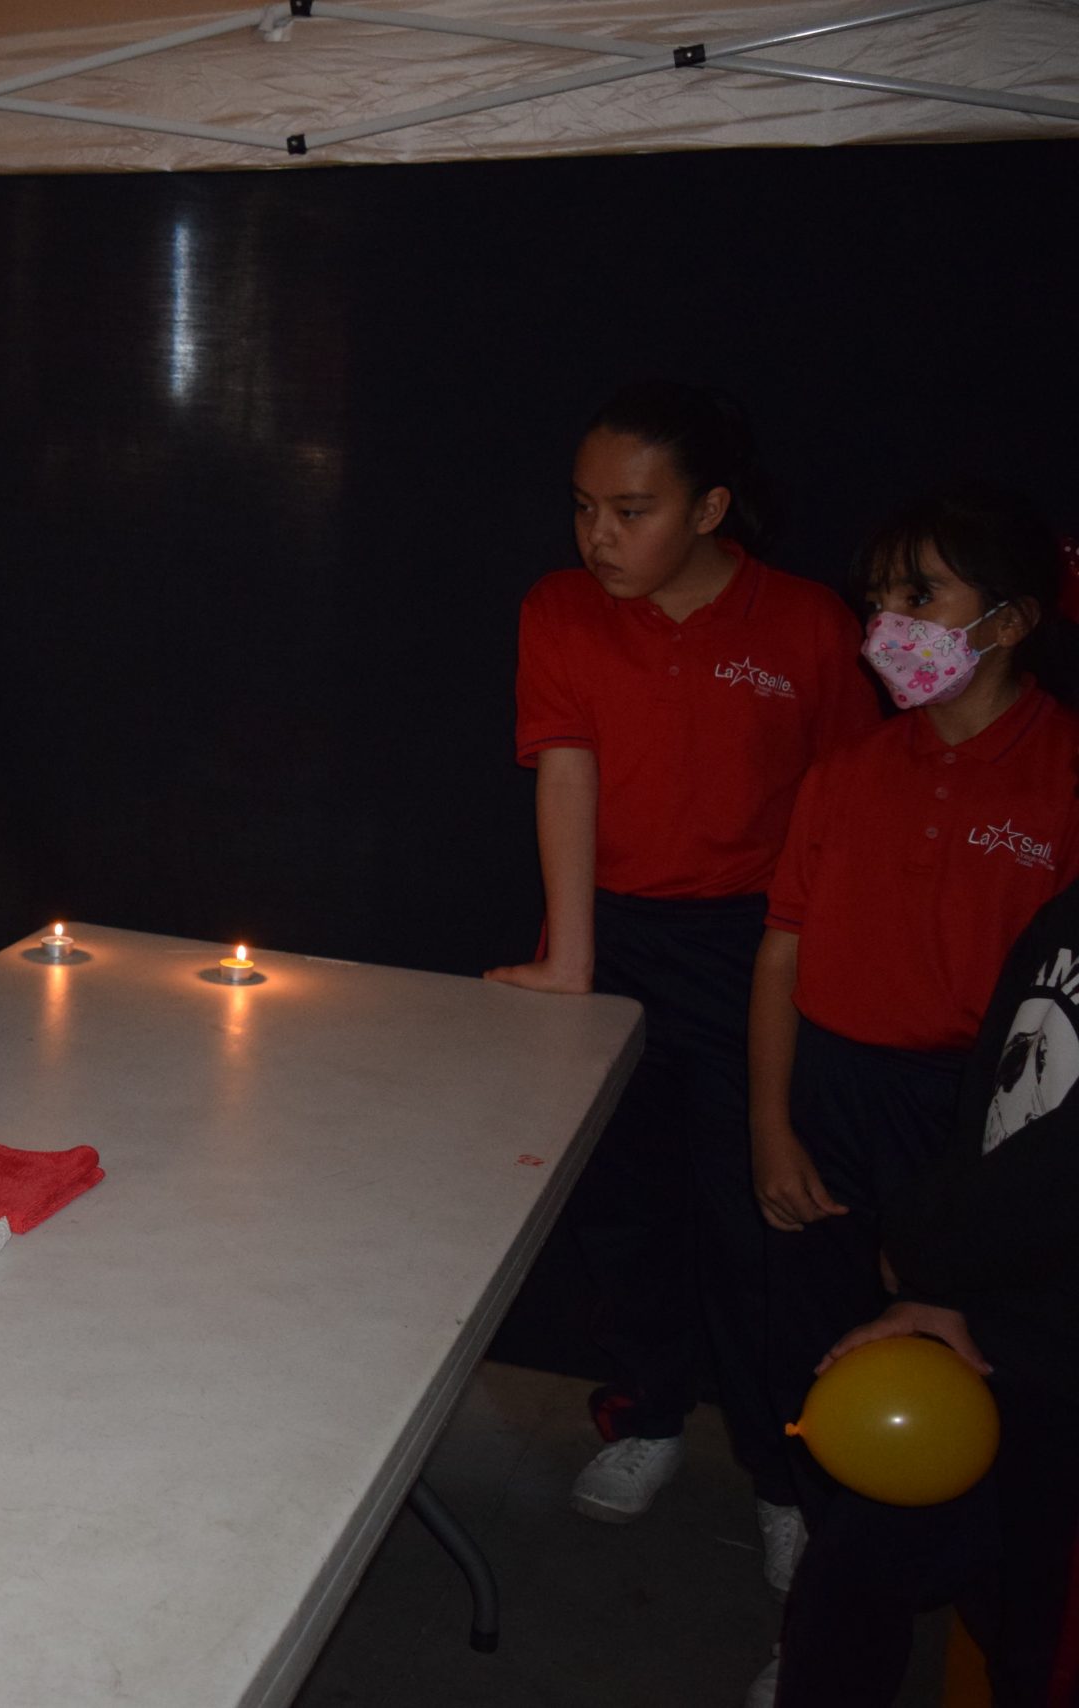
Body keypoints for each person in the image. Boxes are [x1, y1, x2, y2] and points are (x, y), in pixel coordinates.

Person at [485, 382, 879, 1579]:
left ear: (708, 509)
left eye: (630, 510)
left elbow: (848, 809)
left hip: (754, 949)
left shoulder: (805, 623)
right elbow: (565, 772)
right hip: (611, 932)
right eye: (581, 507)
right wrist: (572, 958)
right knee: (619, 1207)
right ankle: (651, 1412)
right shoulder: (560, 608)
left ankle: (783, 1473)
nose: (596, 536)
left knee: (757, 1225)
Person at [750, 482, 1079, 1561]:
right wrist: (771, 1126)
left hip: (982, 1121)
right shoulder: (847, 771)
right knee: (814, 1326)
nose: (887, 622)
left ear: (1011, 620)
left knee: (952, 1351)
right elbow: (783, 950)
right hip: (832, 1095)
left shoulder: (1063, 776)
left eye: (920, 595)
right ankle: (812, 1528)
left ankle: (933, 1567)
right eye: (878, 597)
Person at [764, 874, 1078, 1707]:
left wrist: (926, 1249)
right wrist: (940, 1285)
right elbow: (993, 1092)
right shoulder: (1069, 911)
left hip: (1058, 1360)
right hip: (985, 1313)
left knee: (1038, 1645)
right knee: (851, 1577)